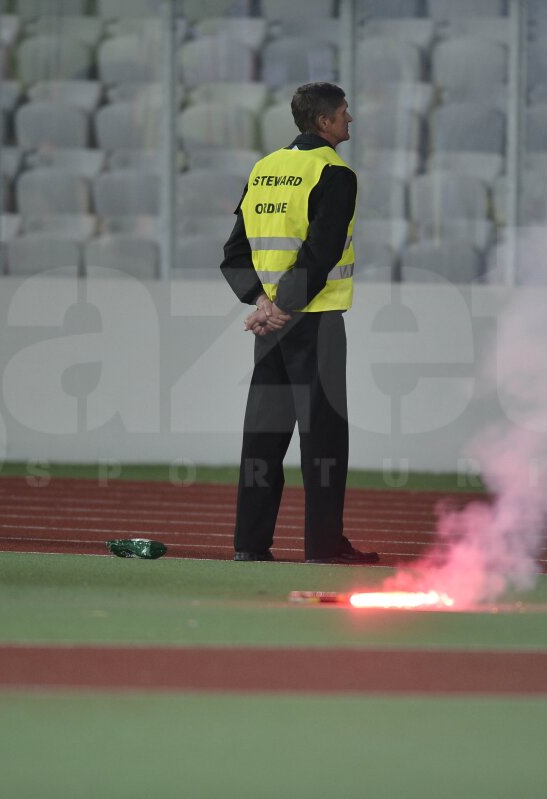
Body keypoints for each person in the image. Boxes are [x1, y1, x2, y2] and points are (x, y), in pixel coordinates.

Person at [220, 82, 379, 566]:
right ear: (325, 122)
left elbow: (233, 254)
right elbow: (322, 251)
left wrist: (264, 303)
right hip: (316, 321)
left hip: (270, 329)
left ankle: (250, 543)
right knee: (324, 437)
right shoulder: (334, 172)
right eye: (344, 113)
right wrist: (285, 304)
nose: (349, 120)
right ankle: (323, 546)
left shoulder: (264, 168)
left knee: (263, 436)